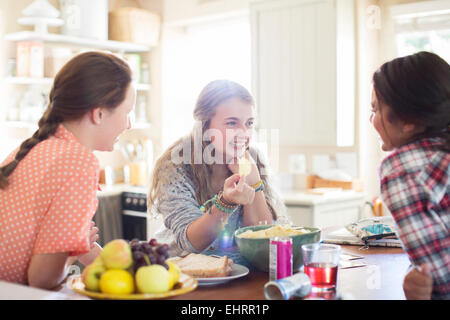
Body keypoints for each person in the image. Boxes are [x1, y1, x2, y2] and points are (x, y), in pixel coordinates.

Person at [0, 51, 135, 289]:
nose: (129, 124)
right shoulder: (79, 163)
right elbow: (42, 279)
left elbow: (57, 239)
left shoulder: (32, 150)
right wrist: (76, 246)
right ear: (99, 113)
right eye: (127, 112)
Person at [148, 80, 288, 266]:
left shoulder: (253, 157)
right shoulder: (176, 163)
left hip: (240, 275)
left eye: (249, 123)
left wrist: (254, 182)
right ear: (204, 125)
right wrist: (226, 203)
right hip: (185, 277)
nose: (243, 133)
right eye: (232, 123)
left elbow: (261, 238)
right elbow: (191, 242)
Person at [371, 51, 449, 300]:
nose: (372, 120)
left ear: (407, 121)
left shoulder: (403, 169)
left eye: (376, 109)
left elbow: (439, 280)